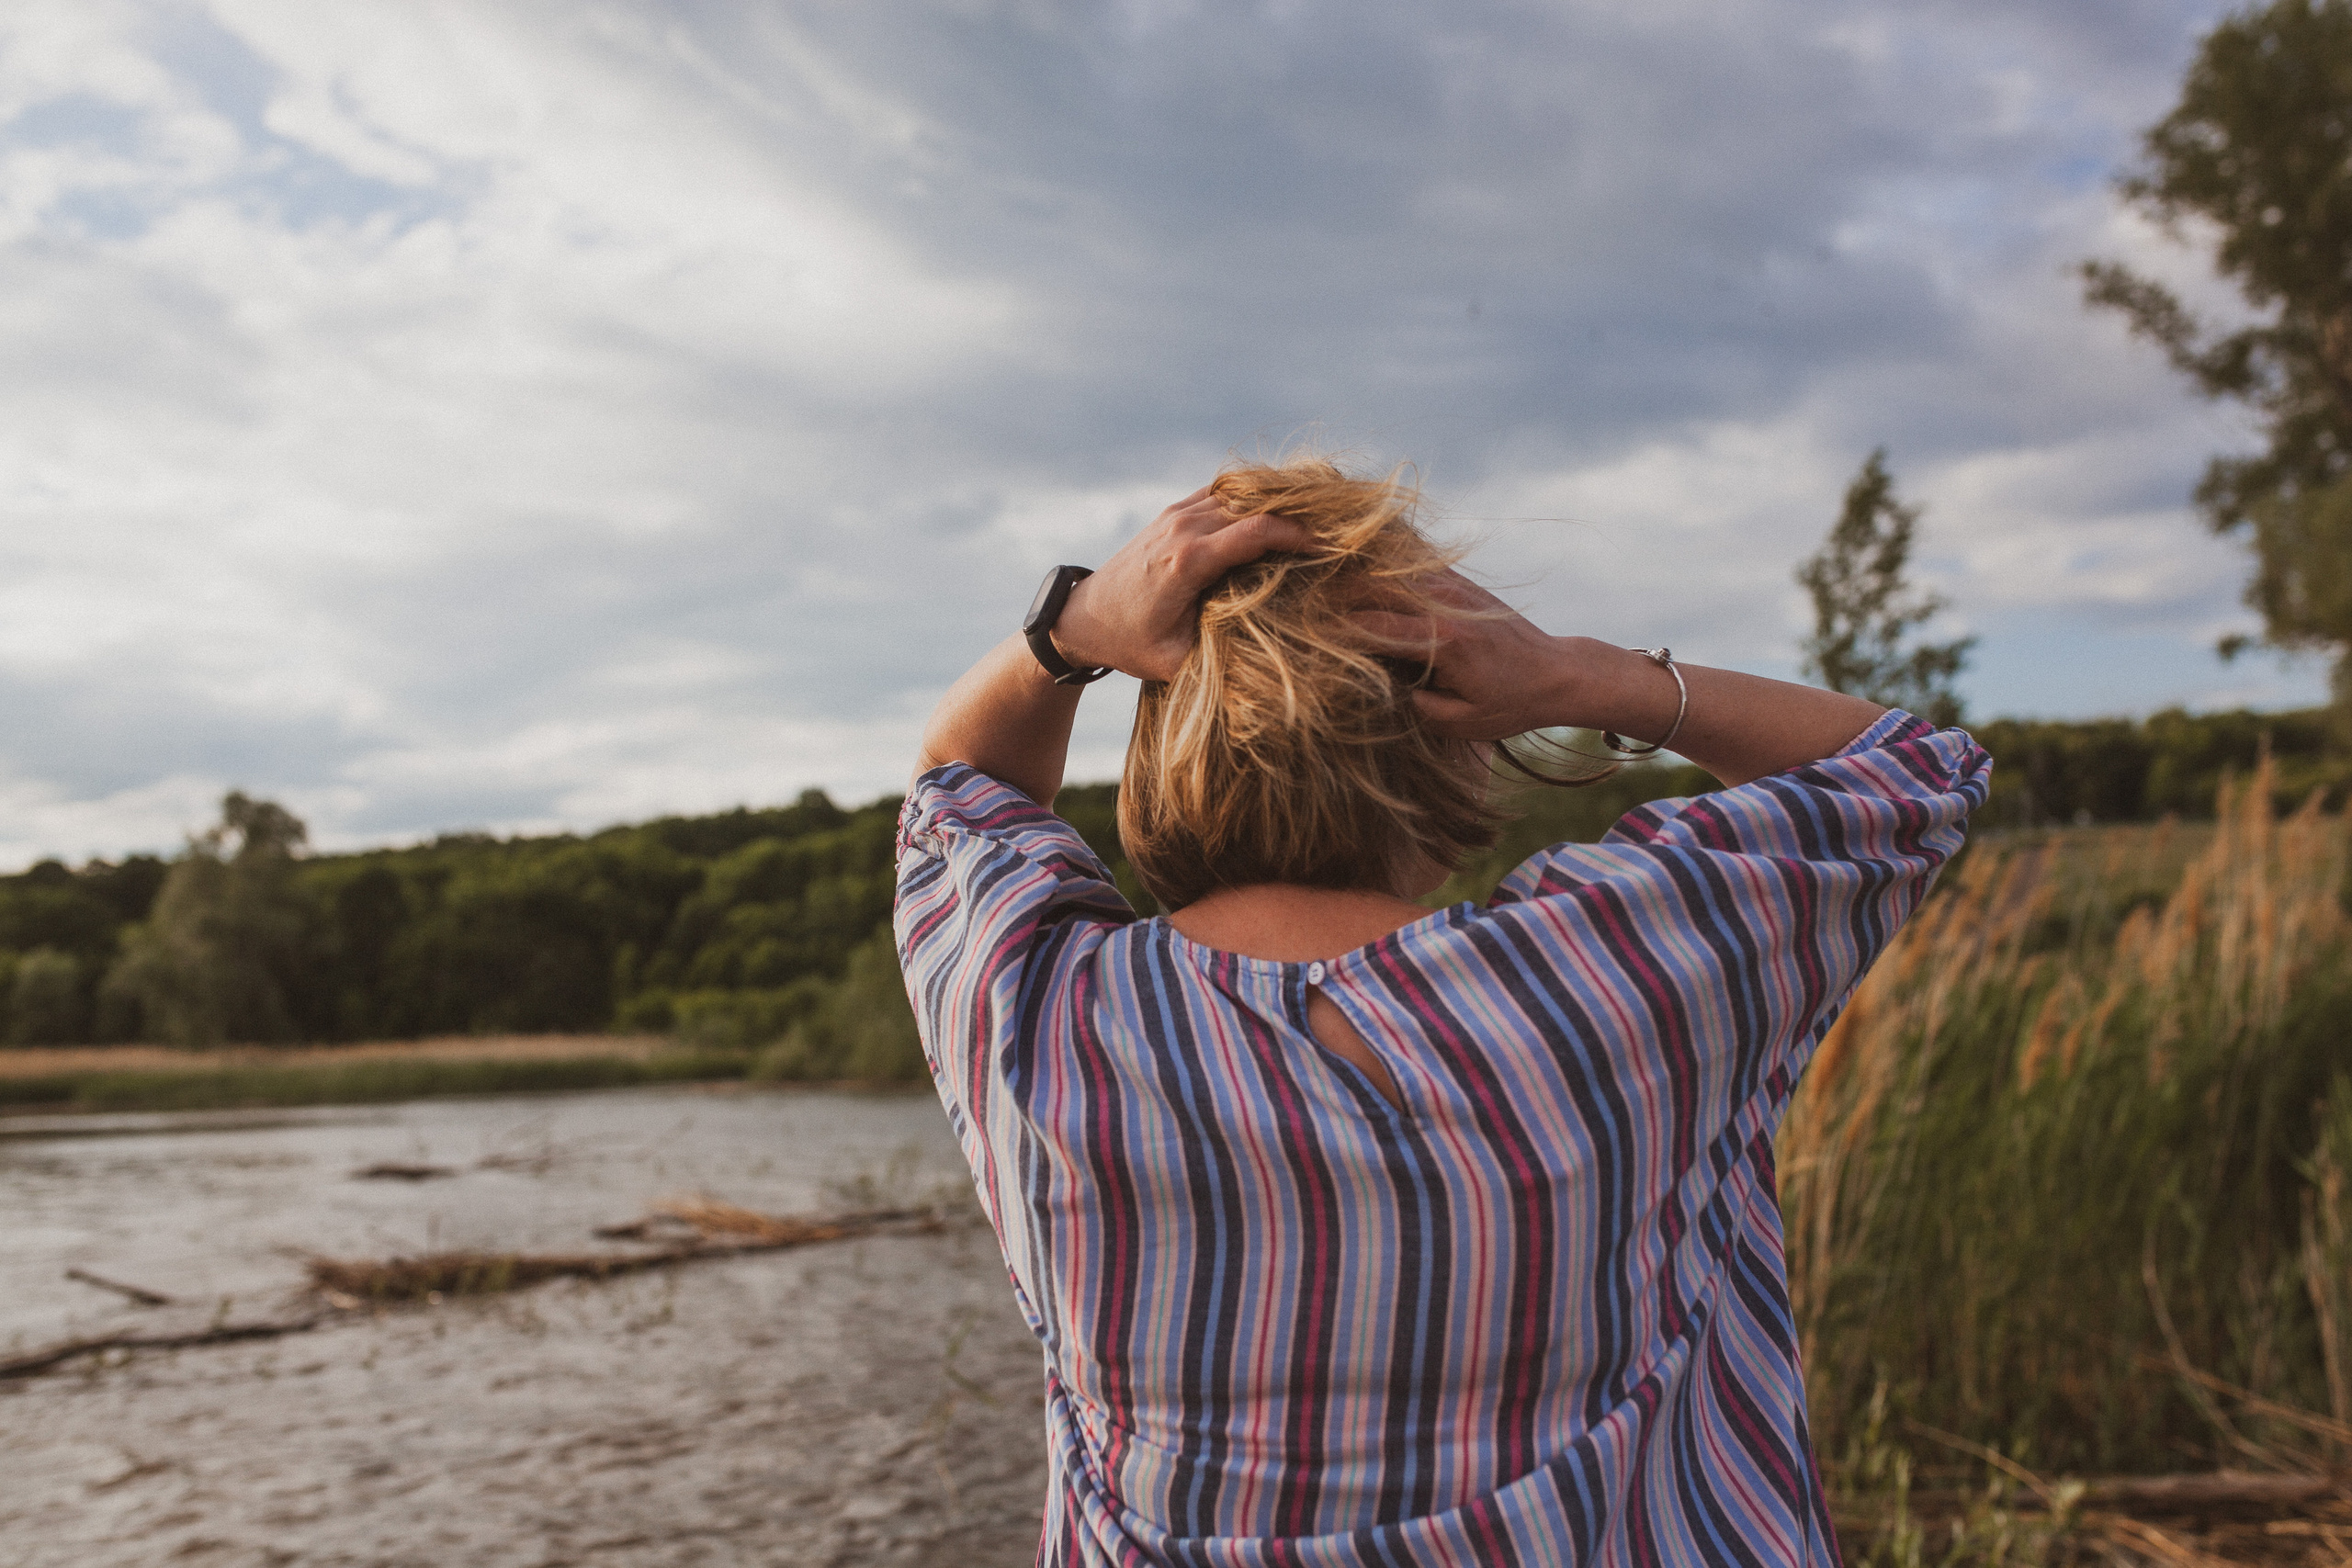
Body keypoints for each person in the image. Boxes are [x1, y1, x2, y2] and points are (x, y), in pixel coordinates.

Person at [895, 458, 1988, 1566]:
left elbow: (957, 779)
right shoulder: (1609, 977)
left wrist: (1072, 628)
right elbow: (1911, 768)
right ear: (1457, 728)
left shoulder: (1030, 1012)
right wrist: (1583, 679)